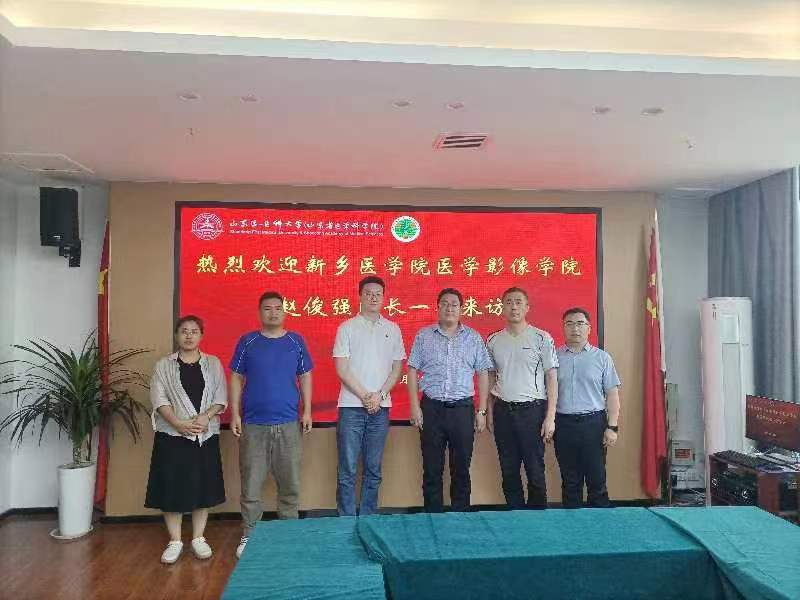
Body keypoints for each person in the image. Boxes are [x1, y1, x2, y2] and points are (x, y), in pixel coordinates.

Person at [229, 291, 313, 558]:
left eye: (278, 308)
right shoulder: (248, 341)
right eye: (267, 308)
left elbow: (306, 376)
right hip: (253, 425)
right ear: (259, 312)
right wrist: (235, 413)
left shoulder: (295, 341)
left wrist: (307, 411)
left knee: (290, 484)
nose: (273, 312)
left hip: (288, 424)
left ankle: (288, 533)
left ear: (285, 311)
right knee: (251, 484)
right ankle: (249, 533)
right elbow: (235, 377)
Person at [145, 315, 228, 564]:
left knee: (203, 486)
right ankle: (175, 540)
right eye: (184, 331)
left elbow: (220, 397)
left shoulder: (213, 363)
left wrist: (206, 417)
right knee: (172, 487)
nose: (189, 335)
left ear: (201, 336)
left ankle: (199, 538)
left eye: (194, 331)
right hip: (172, 436)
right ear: (176, 335)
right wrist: (178, 423)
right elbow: (159, 399)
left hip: (204, 435)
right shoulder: (164, 365)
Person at [407, 288, 493, 512]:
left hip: (462, 410)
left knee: (461, 468)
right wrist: (415, 407)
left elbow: (483, 373)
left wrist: (481, 411)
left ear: (461, 309)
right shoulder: (424, 336)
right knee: (432, 468)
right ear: (438, 307)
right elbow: (412, 370)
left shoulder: (473, 338)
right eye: (444, 303)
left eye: (454, 304)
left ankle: (460, 517)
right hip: (431, 408)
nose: (449, 308)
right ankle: (432, 517)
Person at [333, 276, 406, 516]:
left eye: (378, 294)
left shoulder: (393, 329)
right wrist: (366, 396)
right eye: (368, 293)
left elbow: (397, 368)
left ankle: (368, 518)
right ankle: (346, 520)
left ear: (384, 298)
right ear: (360, 296)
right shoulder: (347, 327)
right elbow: (342, 368)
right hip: (351, 407)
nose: (373, 298)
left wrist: (380, 395)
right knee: (347, 469)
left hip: (380, 409)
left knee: (373, 469)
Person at [486, 287, 558, 510]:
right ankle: (514, 515)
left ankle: (537, 518)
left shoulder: (541, 337)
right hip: (503, 411)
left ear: (527, 307)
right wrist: (489, 412)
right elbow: (490, 378)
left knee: (534, 468)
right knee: (508, 469)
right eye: (509, 302)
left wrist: (550, 417)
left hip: (532, 411)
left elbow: (551, 378)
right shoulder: (493, 340)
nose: (514, 307)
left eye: (518, 302)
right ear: (502, 308)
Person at [554, 307, 621, 508]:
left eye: (580, 323)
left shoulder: (602, 358)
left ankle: (599, 523)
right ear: (563, 328)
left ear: (589, 328)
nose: (575, 328)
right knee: (570, 480)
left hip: (593, 423)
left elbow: (612, 395)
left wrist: (612, 427)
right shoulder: (554, 357)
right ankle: (572, 522)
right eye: (569, 324)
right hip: (563, 424)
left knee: (596, 478)